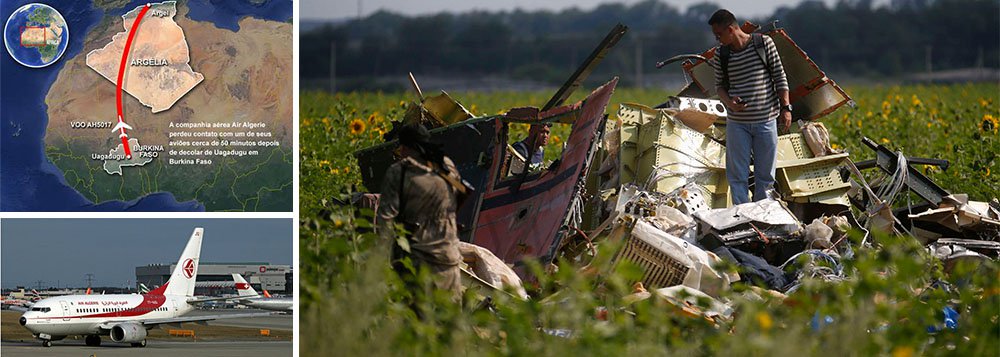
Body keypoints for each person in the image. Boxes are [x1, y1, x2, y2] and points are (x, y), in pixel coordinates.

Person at [708, 9, 791, 204]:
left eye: (719, 34)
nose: (717, 39)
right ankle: (743, 217)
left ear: (731, 29)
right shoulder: (721, 54)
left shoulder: (763, 44)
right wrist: (729, 103)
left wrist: (786, 109)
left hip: (766, 121)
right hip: (737, 123)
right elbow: (719, 86)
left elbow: (780, 77)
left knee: (765, 177)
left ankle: (763, 216)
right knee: (737, 177)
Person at [377, 124, 466, 301]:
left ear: (406, 147)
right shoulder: (446, 165)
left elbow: (385, 220)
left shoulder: (400, 172)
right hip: (449, 257)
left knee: (419, 321)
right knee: (450, 321)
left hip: (417, 260)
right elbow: (460, 196)